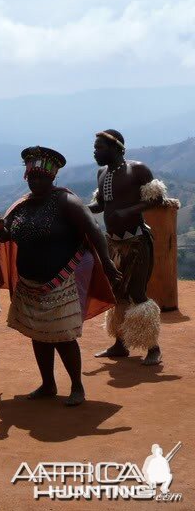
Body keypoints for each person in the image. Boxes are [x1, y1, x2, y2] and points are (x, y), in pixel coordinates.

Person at [0, 146, 119, 407]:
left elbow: (94, 230)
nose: (36, 181)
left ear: (52, 178)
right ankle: (48, 383)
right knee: (38, 335)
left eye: (42, 177)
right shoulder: (22, 206)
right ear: (27, 177)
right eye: (32, 177)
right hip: (30, 284)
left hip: (61, 282)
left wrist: (106, 263)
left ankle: (77, 386)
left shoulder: (66, 202)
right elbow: (7, 237)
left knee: (63, 336)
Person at [89, 129, 168, 365]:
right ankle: (120, 345)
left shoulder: (138, 169)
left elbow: (157, 199)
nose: (95, 151)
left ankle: (153, 348)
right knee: (118, 294)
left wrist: (129, 211)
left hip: (137, 241)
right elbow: (100, 204)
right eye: (95, 147)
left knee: (137, 293)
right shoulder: (102, 173)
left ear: (115, 148)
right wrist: (83, 208)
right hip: (113, 242)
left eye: (99, 147)